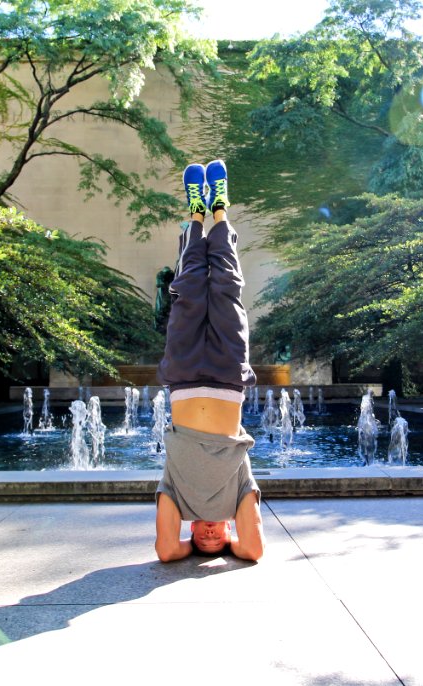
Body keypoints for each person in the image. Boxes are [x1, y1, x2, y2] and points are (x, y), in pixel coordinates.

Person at [154, 159, 265, 562]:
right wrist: (231, 544)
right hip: (227, 375)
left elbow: (167, 551)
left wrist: (189, 547)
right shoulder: (239, 489)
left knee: (186, 290)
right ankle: (219, 209)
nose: (213, 534)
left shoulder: (176, 496)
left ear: (192, 534)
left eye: (205, 539)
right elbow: (253, 550)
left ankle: (195, 215)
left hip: (183, 376)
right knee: (226, 290)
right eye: (221, 539)